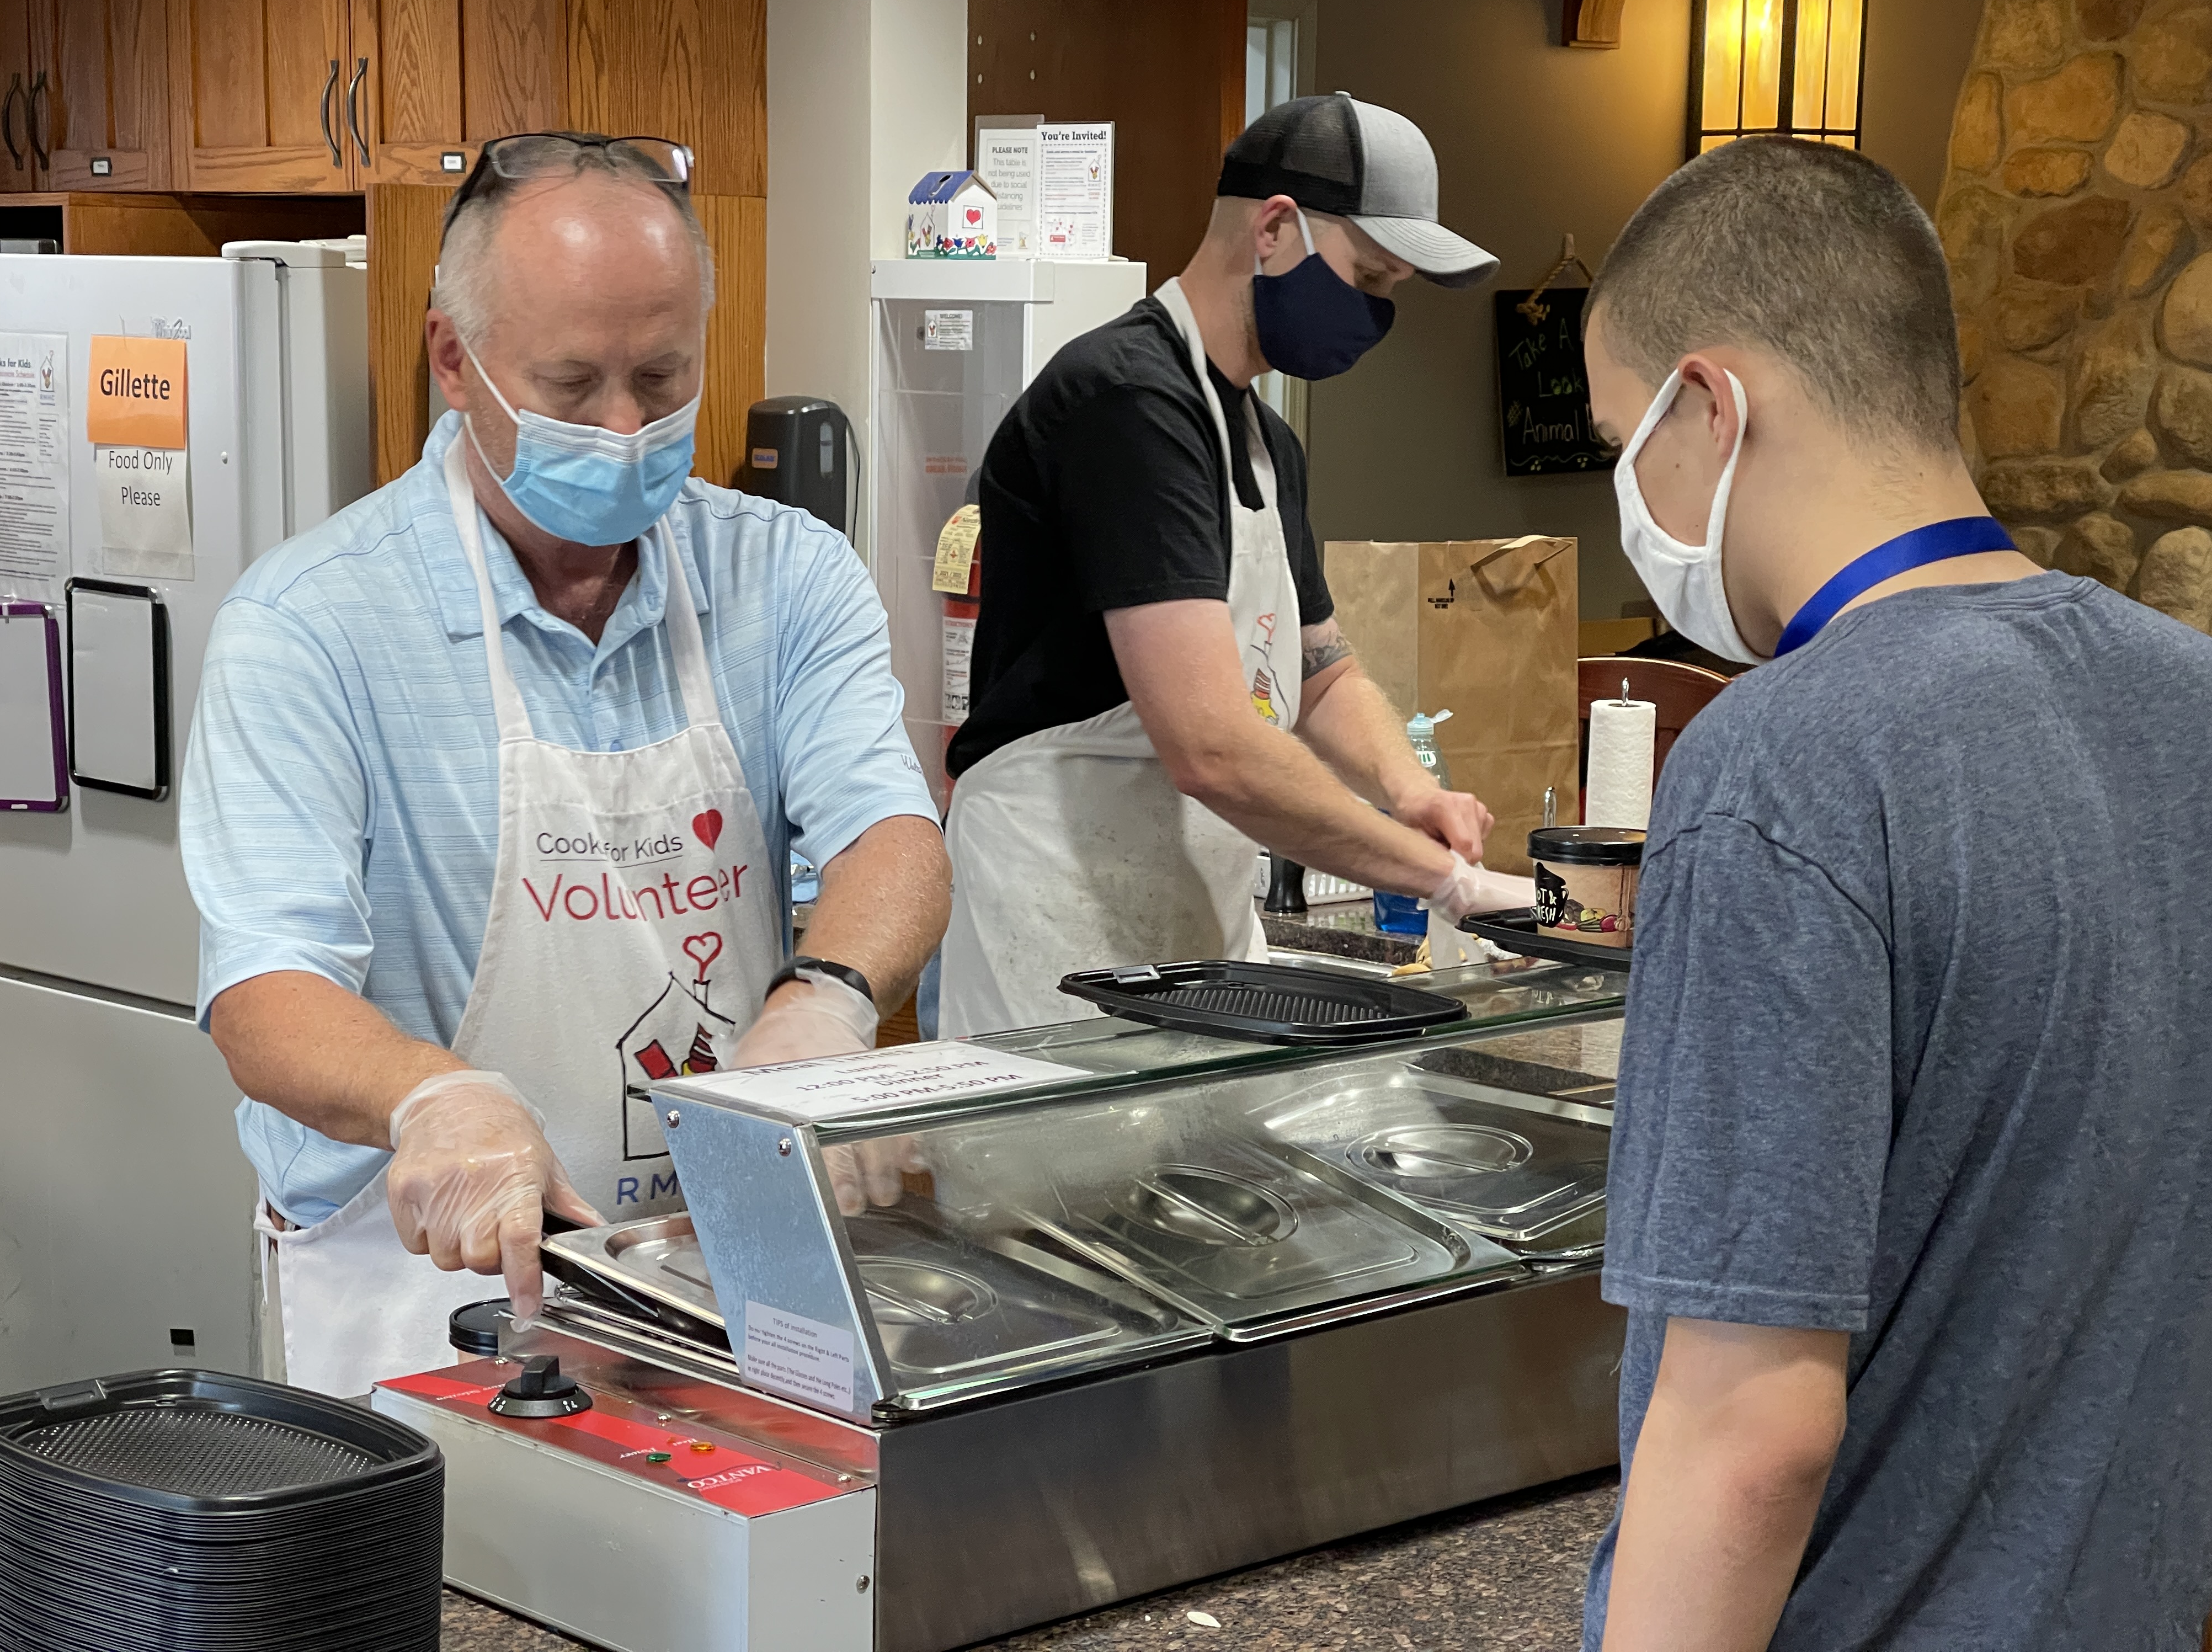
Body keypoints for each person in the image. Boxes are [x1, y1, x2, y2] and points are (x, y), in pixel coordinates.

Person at [182, 134, 949, 1398]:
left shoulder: (787, 573)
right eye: (572, 381)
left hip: (720, 1253)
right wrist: (433, 1097)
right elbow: (266, 991)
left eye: (662, 375)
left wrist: (827, 997)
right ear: (453, 360)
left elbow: (890, 834)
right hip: (430, 1285)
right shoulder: (311, 624)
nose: (626, 425)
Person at [1578, 137, 2212, 1650]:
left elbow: (1750, 1428)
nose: (1630, 498)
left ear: (1712, 406)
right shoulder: (2191, 698)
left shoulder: (1779, 765)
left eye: (1620, 438)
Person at [939, 94, 1527, 1037]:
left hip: (1190, 926)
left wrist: (1411, 791)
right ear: (1278, 228)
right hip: (1056, 927)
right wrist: (1448, 881)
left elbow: (1320, 669)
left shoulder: (1263, 441)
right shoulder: (1126, 403)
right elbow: (1211, 746)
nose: (1376, 315)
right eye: (1369, 277)